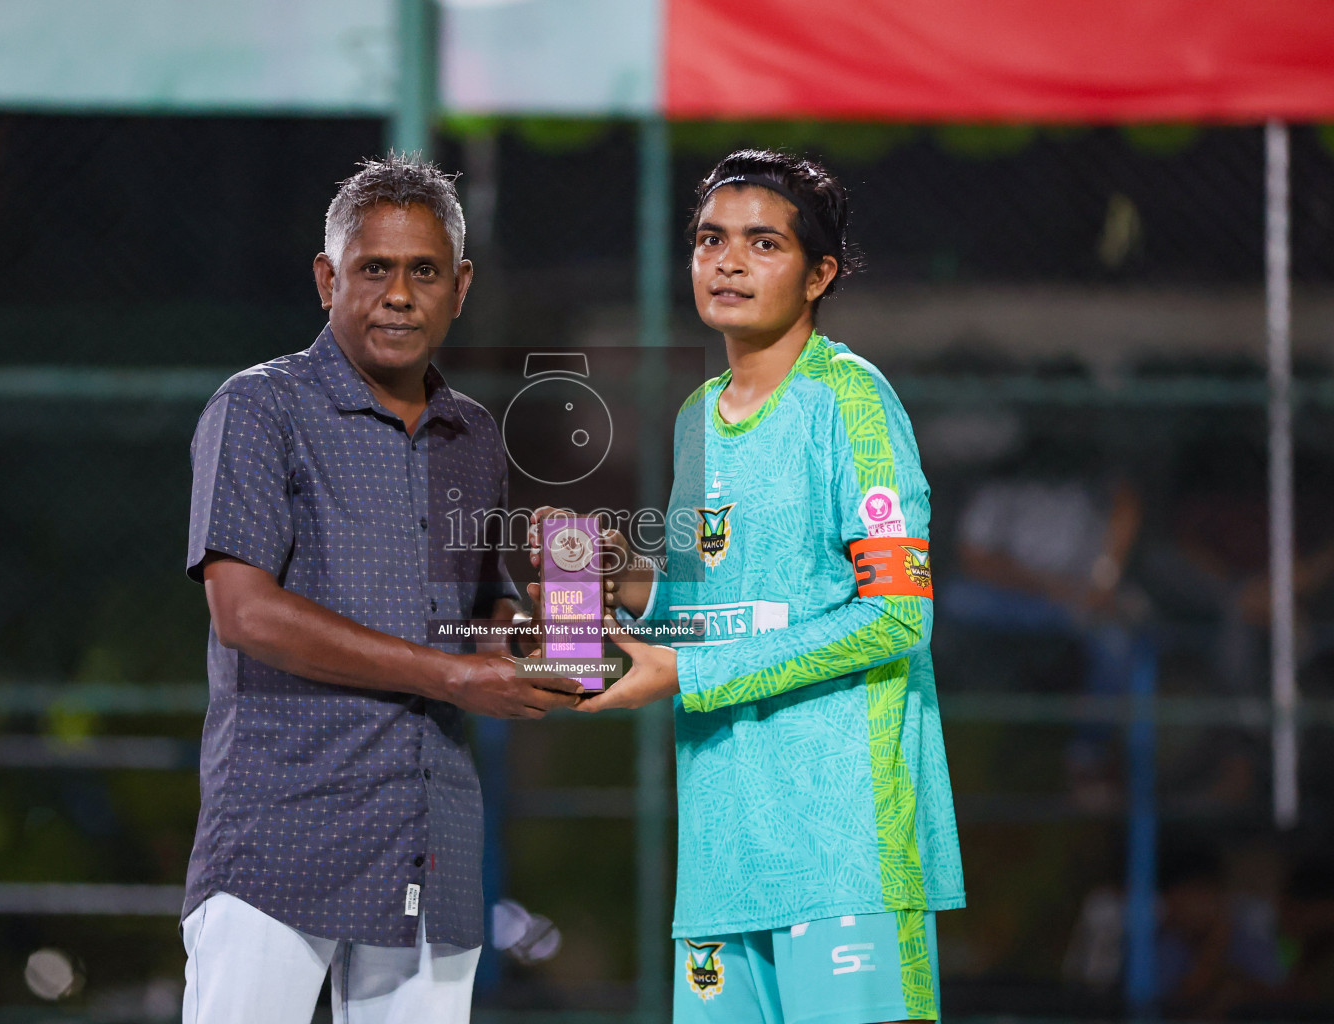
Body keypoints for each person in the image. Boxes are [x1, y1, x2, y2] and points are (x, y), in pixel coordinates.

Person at [536, 149, 964, 1023]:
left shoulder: (852, 401)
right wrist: (627, 588)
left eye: (762, 243)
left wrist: (685, 676)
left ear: (820, 275)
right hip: (726, 853)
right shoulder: (698, 417)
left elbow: (895, 618)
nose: (727, 262)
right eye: (709, 239)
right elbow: (708, 610)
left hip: (845, 844)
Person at [181, 154, 581, 1024]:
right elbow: (242, 611)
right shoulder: (258, 409)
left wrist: (555, 623)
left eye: (424, 271)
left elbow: (483, 610)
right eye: (375, 269)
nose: (400, 294)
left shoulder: (473, 434)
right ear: (328, 279)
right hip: (281, 839)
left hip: (429, 840)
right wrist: (451, 677)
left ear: (460, 287)